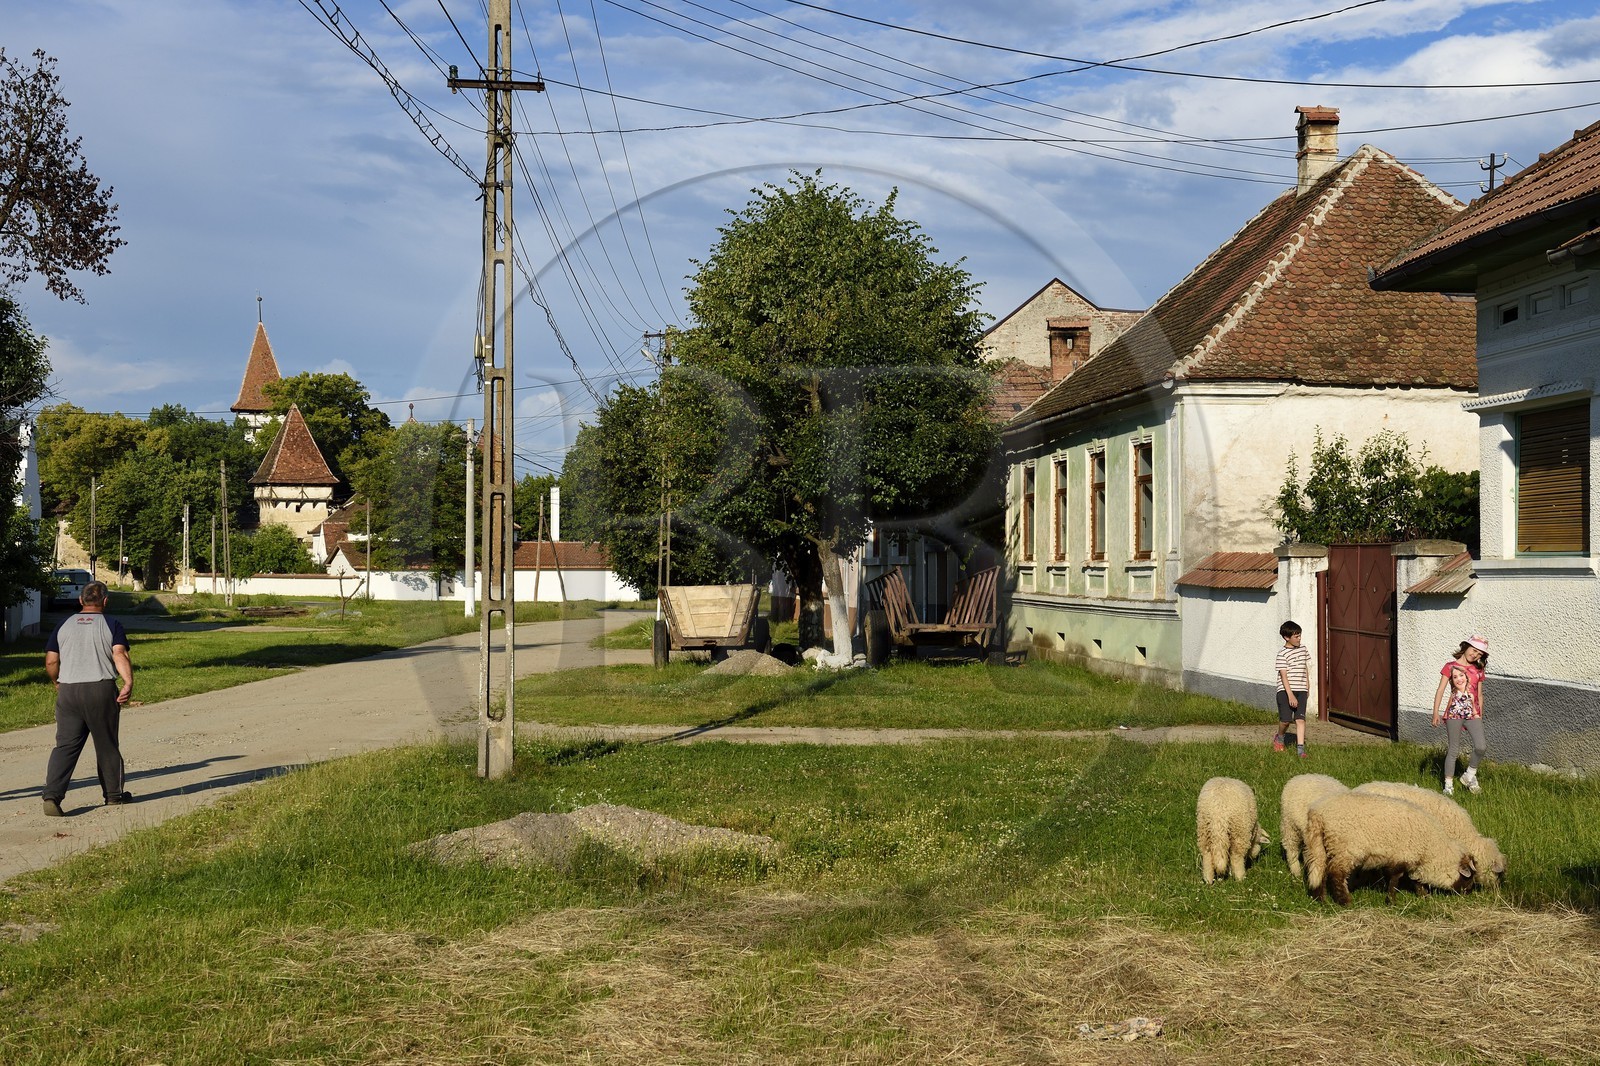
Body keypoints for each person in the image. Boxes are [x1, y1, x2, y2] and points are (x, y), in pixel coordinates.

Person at [41, 580, 134, 816]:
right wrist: (128, 682)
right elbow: (119, 653)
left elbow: (51, 661)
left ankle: (52, 795)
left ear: (81, 600)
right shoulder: (111, 624)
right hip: (100, 689)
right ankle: (113, 796)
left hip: (69, 691)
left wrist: (57, 681)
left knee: (65, 746)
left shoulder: (63, 624)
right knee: (106, 744)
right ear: (105, 601)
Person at [1431, 635, 1488, 796]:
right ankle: (1448, 785)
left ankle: (1469, 775)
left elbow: (1480, 694)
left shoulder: (1478, 669)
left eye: (1479, 654)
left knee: (1481, 746)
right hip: (1454, 714)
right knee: (1454, 749)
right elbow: (1441, 690)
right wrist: (1436, 712)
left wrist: (1480, 714)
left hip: (1473, 714)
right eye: (1474, 650)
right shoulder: (1450, 666)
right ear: (1466, 647)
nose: (1475, 655)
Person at [1273, 620, 1311, 758]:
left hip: (1301, 689)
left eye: (1300, 635)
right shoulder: (1282, 654)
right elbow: (1283, 676)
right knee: (1286, 720)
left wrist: (1307, 684)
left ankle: (1301, 750)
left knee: (1300, 719)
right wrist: (1290, 695)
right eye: (1296, 636)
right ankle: (1280, 737)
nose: (1299, 639)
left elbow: (1304, 667)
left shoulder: (1303, 649)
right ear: (1286, 637)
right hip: (1286, 691)